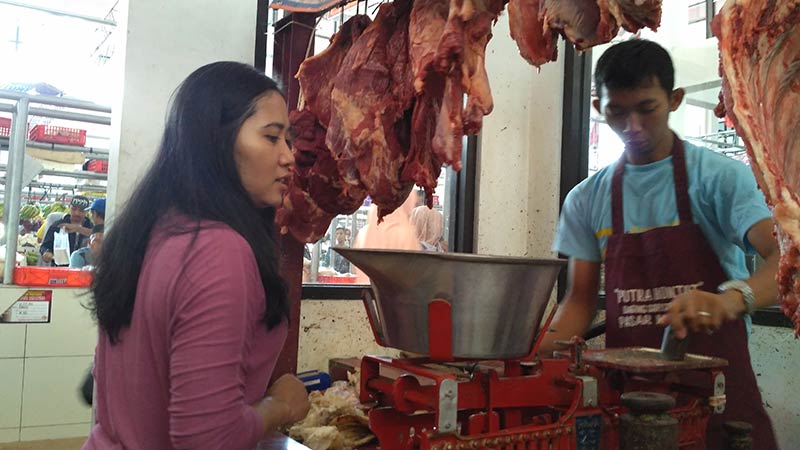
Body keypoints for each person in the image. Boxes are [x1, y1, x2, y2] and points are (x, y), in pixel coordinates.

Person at [545, 40, 779, 449]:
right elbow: (579, 301)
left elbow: (787, 261)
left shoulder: (718, 179)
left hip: (718, 399)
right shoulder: (586, 199)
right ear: (599, 108)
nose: (632, 127)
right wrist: (522, 356)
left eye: (646, 109)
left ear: (674, 100)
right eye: (618, 111)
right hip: (628, 401)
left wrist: (731, 299)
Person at [83, 62, 309, 450]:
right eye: (272, 138)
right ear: (216, 143)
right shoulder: (218, 251)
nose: (289, 156)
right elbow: (206, 439)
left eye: (288, 140)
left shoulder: (151, 229)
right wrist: (280, 405)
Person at [353, 192, 419, 283]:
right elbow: (412, 273)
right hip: (394, 294)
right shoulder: (405, 234)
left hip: (364, 292)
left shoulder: (363, 233)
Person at [40, 196, 93, 266]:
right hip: (60, 270)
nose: (77, 213)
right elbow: (45, 246)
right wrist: (46, 252)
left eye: (81, 211)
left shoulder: (91, 227)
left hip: (84, 270)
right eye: (74, 209)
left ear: (87, 211)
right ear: (69, 208)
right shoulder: (58, 225)